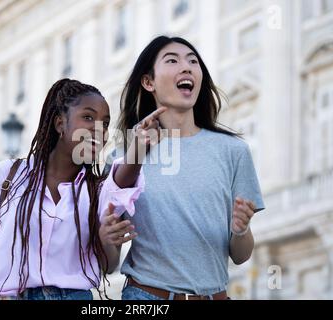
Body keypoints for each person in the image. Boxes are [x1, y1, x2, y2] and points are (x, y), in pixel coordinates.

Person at [0, 78, 157, 300]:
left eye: (105, 123)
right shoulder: (8, 176)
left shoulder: (97, 191)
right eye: (88, 117)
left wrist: (138, 149)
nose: (99, 130)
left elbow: (109, 264)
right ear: (60, 123)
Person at [109, 36, 265, 300]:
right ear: (149, 82)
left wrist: (241, 229)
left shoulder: (233, 151)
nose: (187, 67)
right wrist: (107, 238)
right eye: (173, 60)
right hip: (146, 298)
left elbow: (241, 255)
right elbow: (109, 262)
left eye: (193, 61)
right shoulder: (124, 156)